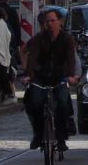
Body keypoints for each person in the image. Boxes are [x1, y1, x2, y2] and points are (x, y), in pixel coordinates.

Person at [23, 8, 79, 151]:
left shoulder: (67, 39)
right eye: (47, 21)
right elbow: (32, 56)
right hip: (40, 77)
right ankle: (38, 134)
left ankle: (61, 139)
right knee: (34, 102)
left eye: (53, 21)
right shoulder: (39, 38)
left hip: (59, 76)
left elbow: (70, 58)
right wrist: (29, 75)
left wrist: (71, 75)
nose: (50, 24)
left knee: (62, 102)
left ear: (60, 22)